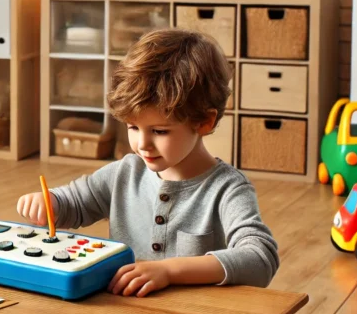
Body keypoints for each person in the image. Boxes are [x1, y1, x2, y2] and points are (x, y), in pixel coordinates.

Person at [16, 28, 279, 296]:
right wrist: (49, 202)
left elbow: (260, 258)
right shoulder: (125, 173)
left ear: (204, 121)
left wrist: (169, 271)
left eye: (160, 131)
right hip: (125, 313)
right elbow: (74, 202)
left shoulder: (227, 189)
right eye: (132, 127)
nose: (142, 144)